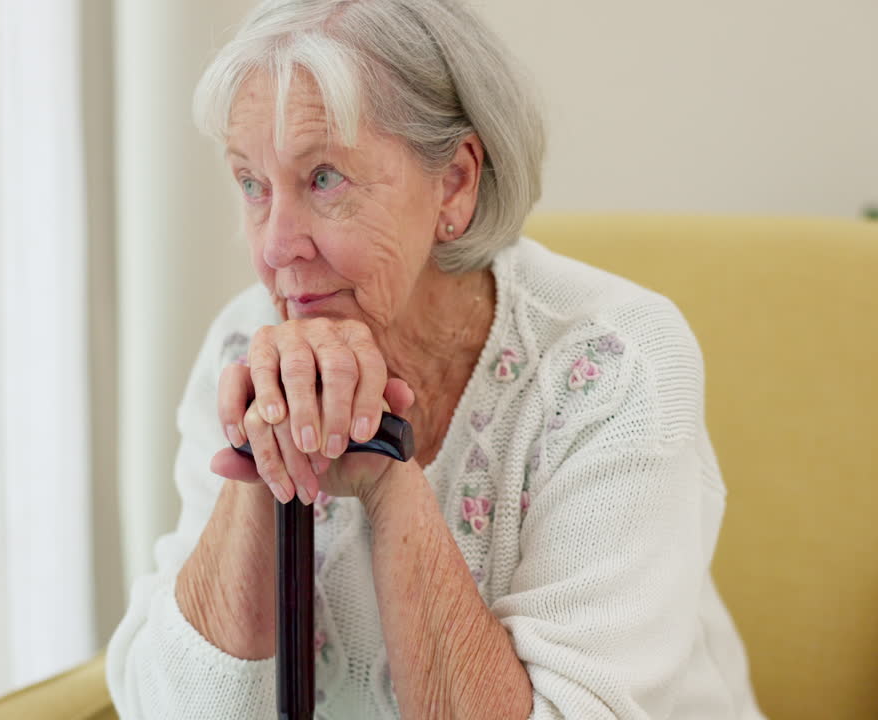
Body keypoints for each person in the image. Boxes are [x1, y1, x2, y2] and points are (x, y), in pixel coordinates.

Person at [108, 1, 766, 717]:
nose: (273, 247)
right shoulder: (246, 347)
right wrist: (264, 472)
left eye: (324, 178)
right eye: (252, 184)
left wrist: (391, 479)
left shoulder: (612, 366)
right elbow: (168, 707)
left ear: (453, 183)